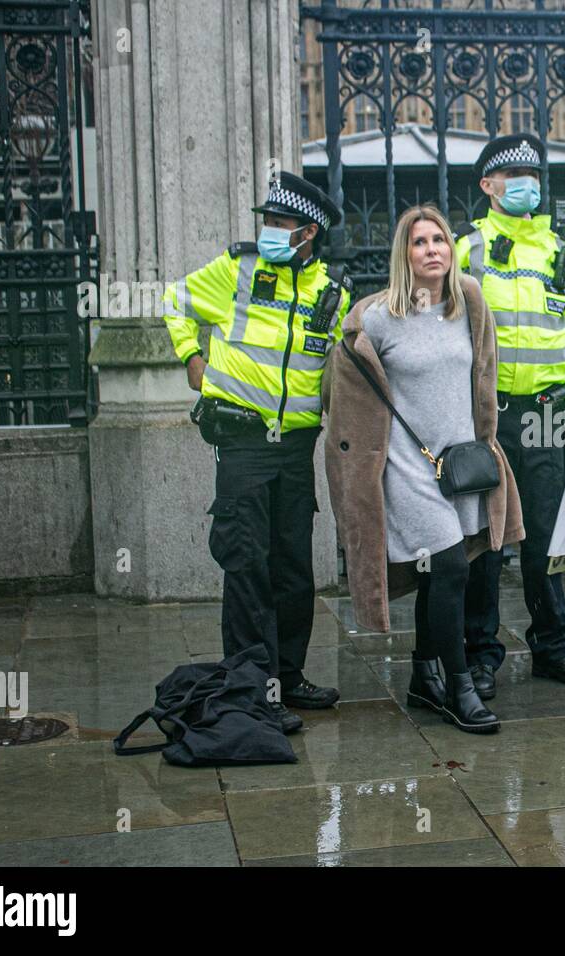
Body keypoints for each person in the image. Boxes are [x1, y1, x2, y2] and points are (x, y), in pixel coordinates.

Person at [321, 204, 524, 733]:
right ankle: (460, 689)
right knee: (453, 566)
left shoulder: (469, 305)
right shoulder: (376, 319)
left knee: (442, 574)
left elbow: (484, 380)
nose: (432, 249)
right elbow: (342, 400)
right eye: (419, 242)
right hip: (407, 469)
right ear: (403, 255)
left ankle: (422, 679)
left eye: (440, 240)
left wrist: (487, 443)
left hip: (459, 465)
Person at [163, 171, 352, 734]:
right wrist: (192, 359)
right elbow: (176, 301)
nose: (270, 230)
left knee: (293, 569)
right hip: (243, 442)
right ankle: (251, 689)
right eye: (266, 221)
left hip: (296, 446)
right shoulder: (237, 270)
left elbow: (342, 370)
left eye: (281, 223)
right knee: (247, 566)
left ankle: (287, 677)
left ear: (309, 231)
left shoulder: (332, 294)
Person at [455, 133, 565, 698]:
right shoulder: (465, 250)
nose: (527, 183)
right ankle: (479, 655)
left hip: (548, 417)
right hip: (486, 420)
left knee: (547, 539)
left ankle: (554, 646)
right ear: (487, 185)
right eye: (513, 174)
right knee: (485, 541)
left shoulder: (560, 254)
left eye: (534, 174)